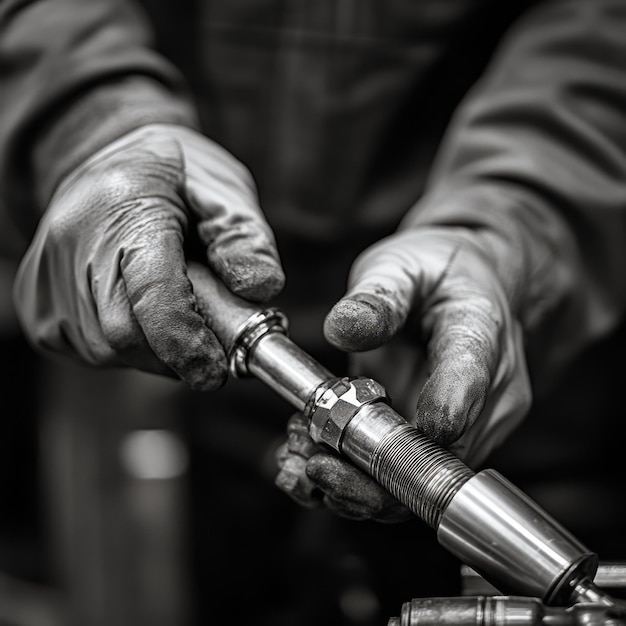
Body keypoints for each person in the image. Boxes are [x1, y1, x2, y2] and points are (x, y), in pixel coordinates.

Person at [1, 0, 626, 624]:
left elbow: (603, 44)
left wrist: (510, 226)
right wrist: (95, 126)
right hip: (207, 411)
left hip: (516, 377)